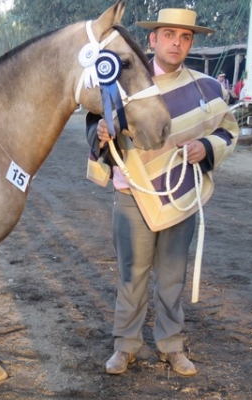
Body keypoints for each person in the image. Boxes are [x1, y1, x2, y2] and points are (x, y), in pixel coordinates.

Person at [85, 8, 239, 377]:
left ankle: (171, 345)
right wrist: (102, 131)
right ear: (152, 40)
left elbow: (228, 130)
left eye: (185, 37)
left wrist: (207, 146)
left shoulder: (208, 88)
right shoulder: (123, 82)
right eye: (169, 34)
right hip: (133, 194)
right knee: (131, 275)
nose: (177, 43)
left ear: (191, 44)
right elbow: (94, 125)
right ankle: (125, 345)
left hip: (181, 197)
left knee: (172, 276)